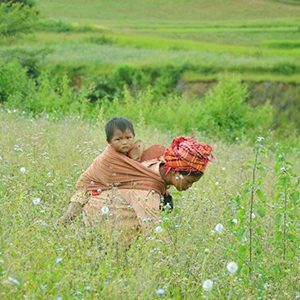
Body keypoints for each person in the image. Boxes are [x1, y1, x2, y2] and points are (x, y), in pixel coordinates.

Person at [60, 129, 214, 235]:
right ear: (174, 171)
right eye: (189, 181)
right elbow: (154, 232)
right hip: (100, 221)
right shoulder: (147, 192)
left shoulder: (159, 162)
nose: (189, 186)